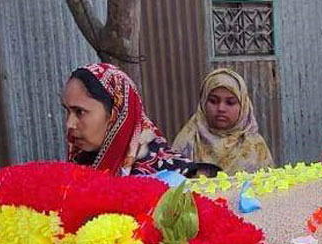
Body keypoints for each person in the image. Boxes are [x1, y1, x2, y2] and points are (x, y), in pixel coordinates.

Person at [62, 62, 191, 175]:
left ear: (115, 113)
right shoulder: (78, 167)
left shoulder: (175, 177)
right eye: (67, 111)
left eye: (80, 112)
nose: (69, 124)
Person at [172, 68, 274, 174]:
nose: (221, 108)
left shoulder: (255, 146)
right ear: (203, 103)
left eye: (230, 102)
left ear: (243, 106)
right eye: (213, 101)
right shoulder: (188, 141)